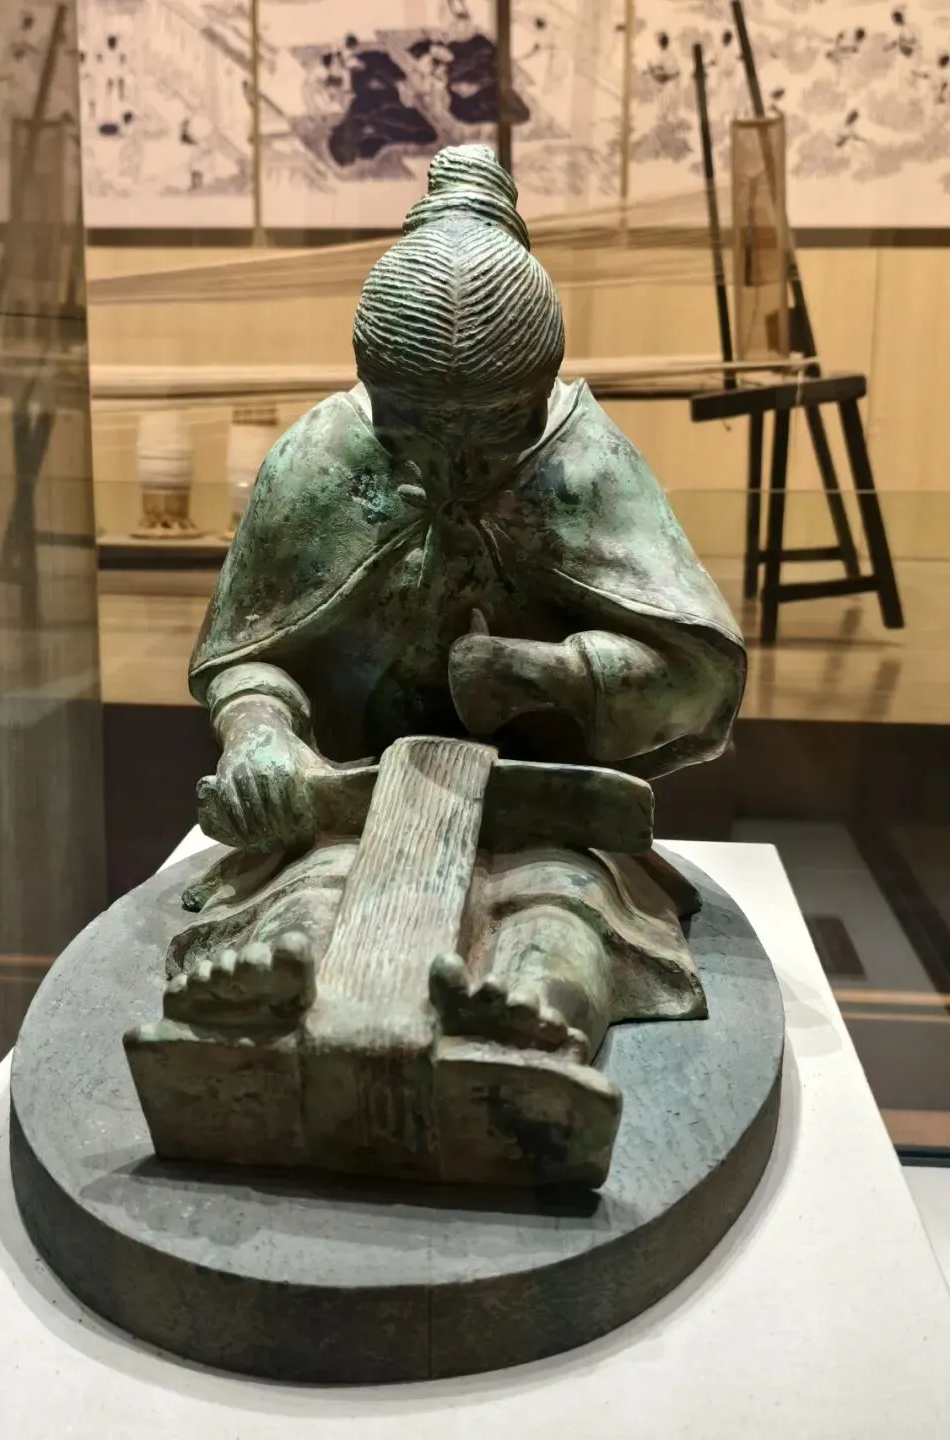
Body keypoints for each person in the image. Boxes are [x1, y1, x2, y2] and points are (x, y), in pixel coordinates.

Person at [177, 145, 744, 1058]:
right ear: (376, 396)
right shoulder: (320, 459)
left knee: (558, 901)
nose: (448, 469)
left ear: (535, 400)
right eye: (414, 434)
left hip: (536, 807)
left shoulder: (586, 468)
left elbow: (696, 676)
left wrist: (552, 674)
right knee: (319, 887)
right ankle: (279, 991)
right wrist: (258, 734)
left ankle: (535, 1016)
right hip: (352, 795)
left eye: (487, 438)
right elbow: (250, 656)